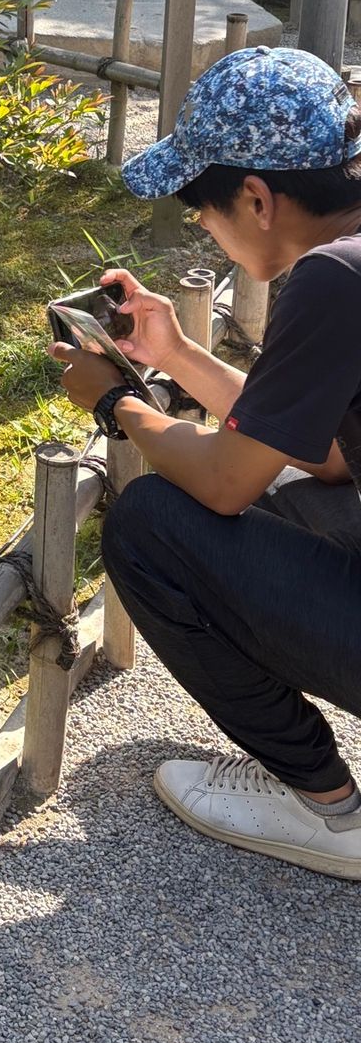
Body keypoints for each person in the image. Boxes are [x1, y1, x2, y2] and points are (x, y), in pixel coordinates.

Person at [49, 46, 361, 878]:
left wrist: (115, 403)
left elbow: (226, 481)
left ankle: (329, 812)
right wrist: (177, 354)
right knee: (287, 488)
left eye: (201, 207)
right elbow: (330, 455)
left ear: (256, 198)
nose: (201, 227)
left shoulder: (333, 279)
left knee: (151, 526)